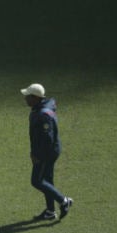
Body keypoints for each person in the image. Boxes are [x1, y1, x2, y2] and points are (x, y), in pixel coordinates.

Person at [21, 83, 73, 221]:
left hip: (46, 152)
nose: (25, 98)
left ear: (35, 98)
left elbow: (47, 140)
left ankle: (64, 201)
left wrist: (37, 155)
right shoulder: (40, 108)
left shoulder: (43, 115)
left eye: (28, 96)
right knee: (47, 180)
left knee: (37, 181)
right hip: (51, 150)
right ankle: (50, 211)